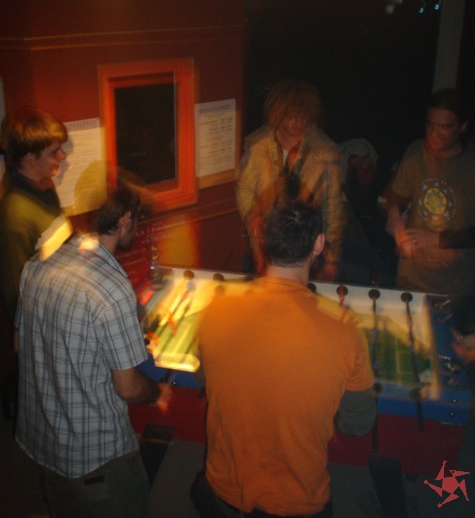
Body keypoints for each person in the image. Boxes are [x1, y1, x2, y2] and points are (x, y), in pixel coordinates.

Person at [191, 200, 376, 518]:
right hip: (297, 505)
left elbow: (204, 379)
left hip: (221, 495)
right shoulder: (346, 332)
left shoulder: (214, 309)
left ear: (262, 240)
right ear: (318, 244)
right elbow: (358, 424)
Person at [14, 185, 171, 518]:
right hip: (96, 458)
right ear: (125, 220)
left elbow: (20, 344)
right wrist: (157, 392)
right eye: (138, 219)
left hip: (44, 444)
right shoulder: (112, 290)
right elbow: (128, 388)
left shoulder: (36, 265)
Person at [236, 79, 344, 280]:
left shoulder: (325, 150)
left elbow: (333, 206)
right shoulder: (258, 145)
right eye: (292, 117)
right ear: (278, 114)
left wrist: (332, 255)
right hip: (267, 245)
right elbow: (244, 189)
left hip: (306, 247)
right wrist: (252, 221)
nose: (298, 123)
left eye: (303, 117)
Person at [384, 88, 475, 296]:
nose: (435, 133)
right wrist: (394, 214)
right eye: (430, 124)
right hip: (411, 276)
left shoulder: (474, 165)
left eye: (445, 127)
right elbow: (395, 197)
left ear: (462, 126)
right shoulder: (415, 152)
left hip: (455, 283)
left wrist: (437, 238)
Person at [0, 106, 72, 322]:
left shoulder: (44, 187)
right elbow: (17, 298)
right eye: (54, 152)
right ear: (29, 157)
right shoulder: (15, 216)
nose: (62, 156)